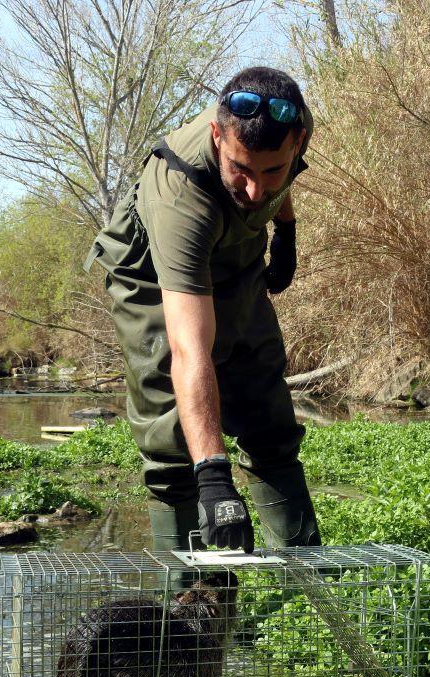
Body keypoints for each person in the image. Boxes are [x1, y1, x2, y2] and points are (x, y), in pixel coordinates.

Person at [87, 66, 321, 554]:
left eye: (271, 171)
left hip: (236, 255)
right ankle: (194, 608)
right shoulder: (180, 196)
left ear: (297, 140)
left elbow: (273, 182)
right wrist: (214, 476)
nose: (256, 190)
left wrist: (287, 231)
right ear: (217, 135)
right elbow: (189, 349)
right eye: (240, 169)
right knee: (172, 432)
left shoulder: (293, 127)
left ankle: (304, 586)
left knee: (267, 410)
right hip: (151, 270)